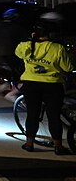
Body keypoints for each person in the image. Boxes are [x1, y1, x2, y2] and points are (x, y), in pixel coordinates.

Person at [16, 13, 73, 155]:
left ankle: (29, 144)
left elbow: (17, 53)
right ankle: (58, 146)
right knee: (54, 116)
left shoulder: (25, 46)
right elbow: (68, 67)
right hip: (52, 85)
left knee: (32, 114)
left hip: (31, 84)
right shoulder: (57, 48)